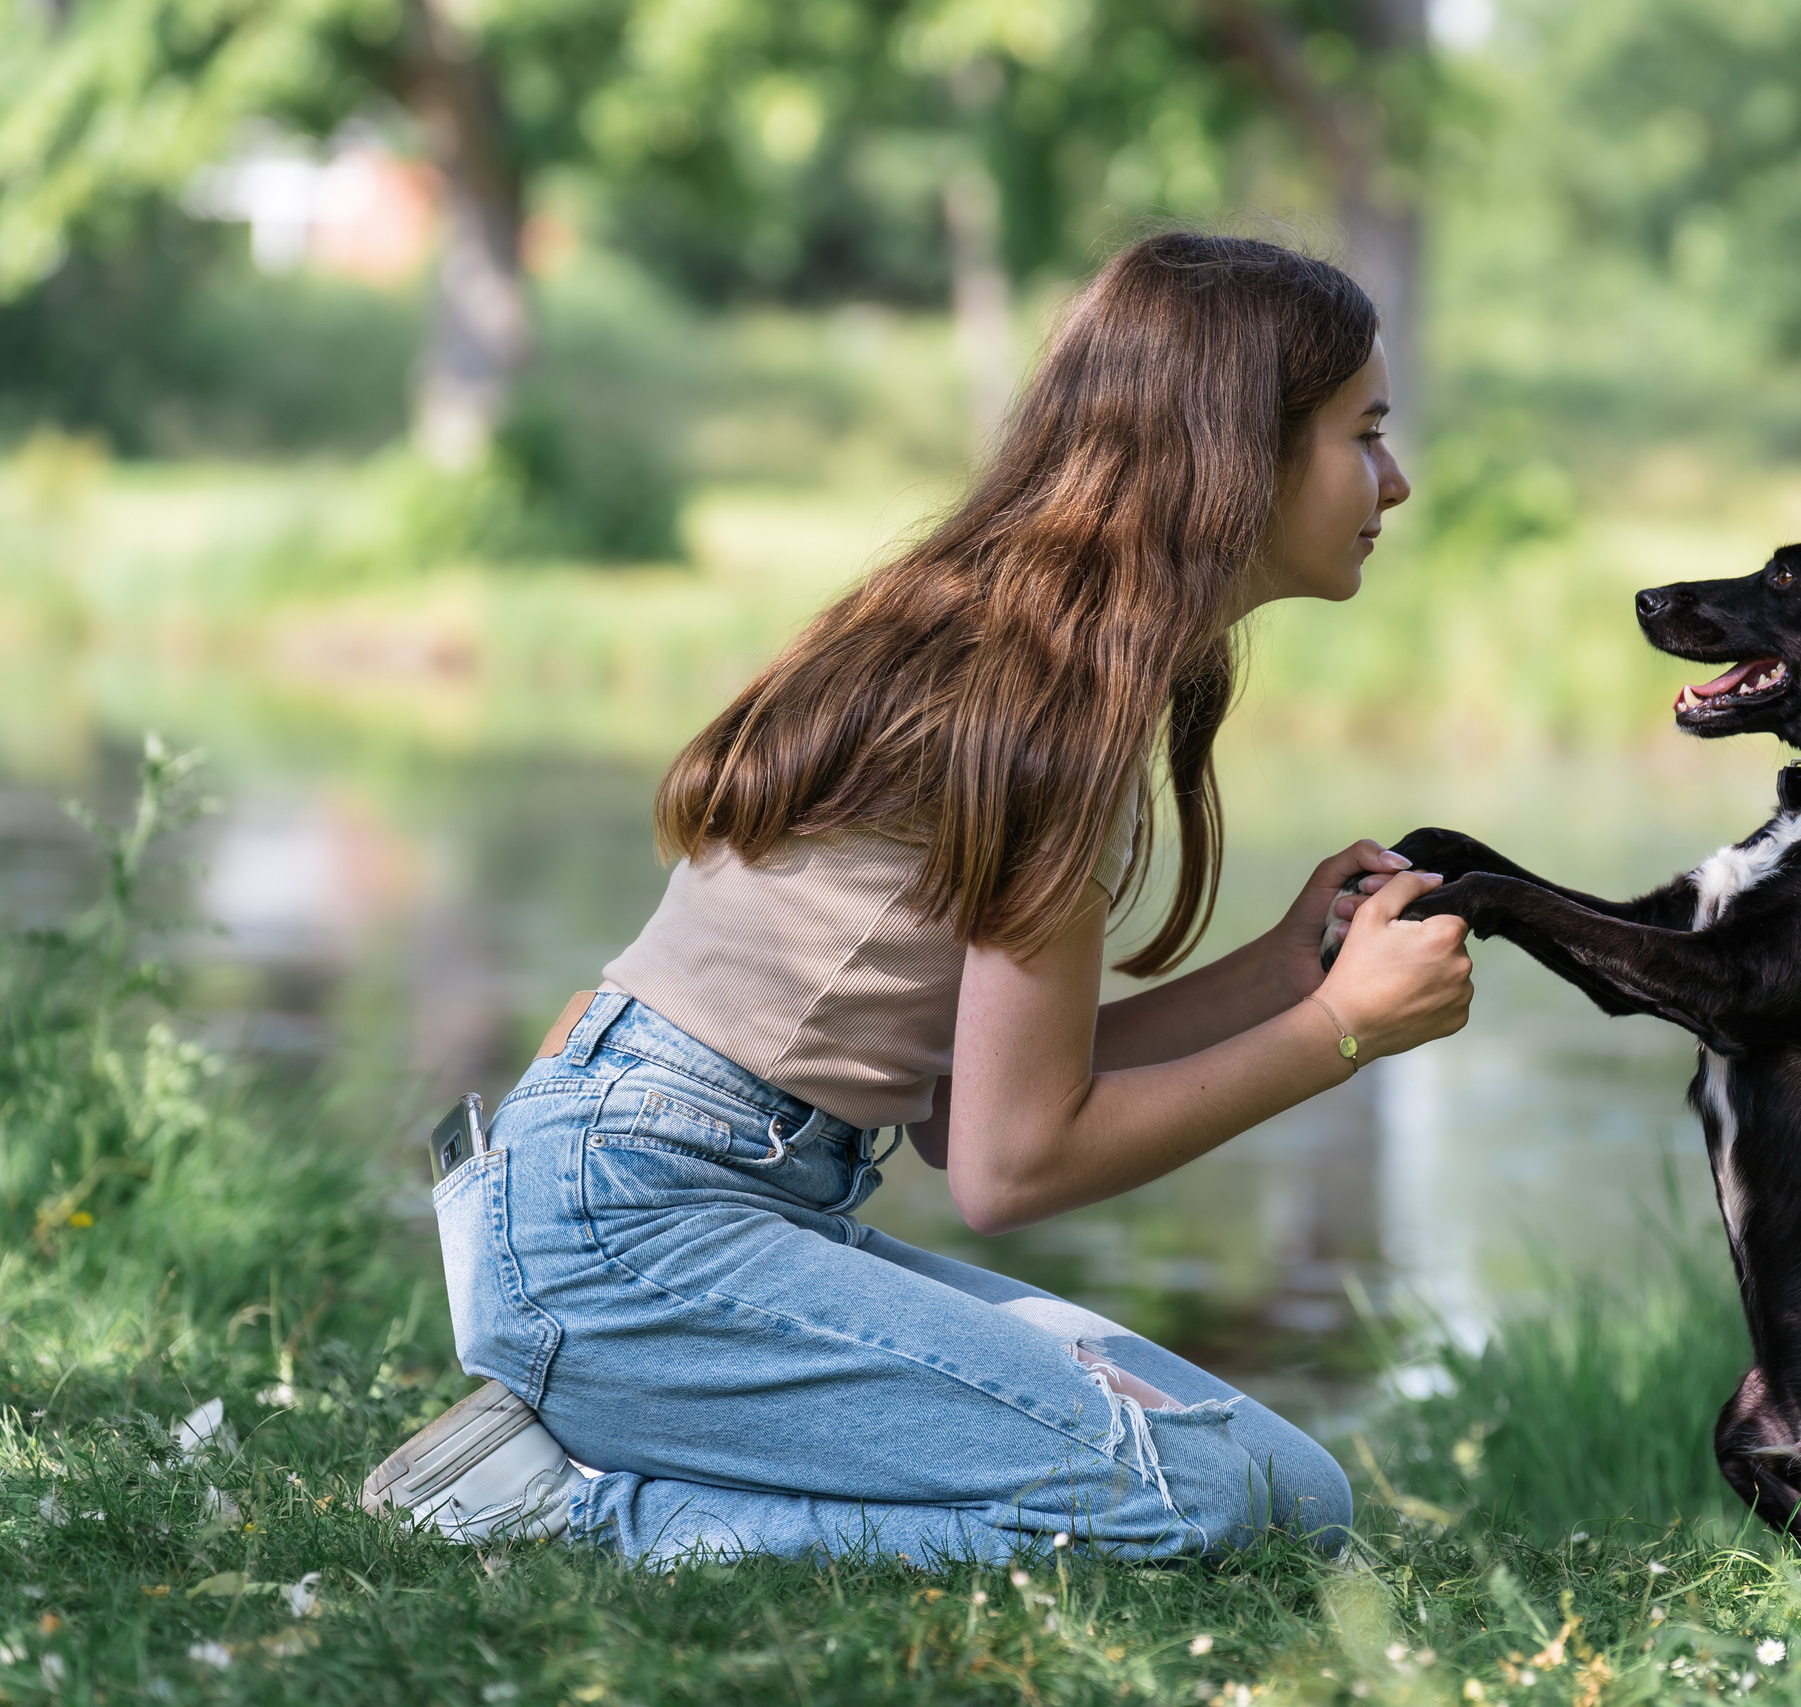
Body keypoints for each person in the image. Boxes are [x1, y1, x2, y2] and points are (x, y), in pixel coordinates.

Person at [359, 233, 1475, 1566]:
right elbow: (1015, 1168)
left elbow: (974, 1110)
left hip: (679, 1202)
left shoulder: (1035, 644)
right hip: (621, 1235)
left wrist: (1286, 974)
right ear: (1239, 452)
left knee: (1300, 1498)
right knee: (1192, 1499)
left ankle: (621, 1442)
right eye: (1367, 433)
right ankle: (568, 1511)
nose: (1394, 481)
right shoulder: (1045, 705)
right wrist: (1337, 1034)